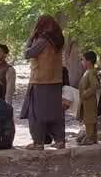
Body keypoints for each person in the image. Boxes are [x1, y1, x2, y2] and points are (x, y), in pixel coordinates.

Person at [21, 15, 67, 150]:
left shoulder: (42, 41)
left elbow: (27, 54)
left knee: (36, 113)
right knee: (57, 113)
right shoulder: (59, 41)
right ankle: (60, 140)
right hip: (56, 81)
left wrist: (30, 38)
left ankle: (38, 142)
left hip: (40, 81)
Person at [77, 51, 101, 146]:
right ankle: (91, 136)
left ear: (88, 61)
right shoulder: (87, 72)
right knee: (87, 118)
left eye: (83, 59)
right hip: (86, 101)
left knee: (89, 119)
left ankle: (90, 137)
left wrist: (85, 94)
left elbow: (95, 85)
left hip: (89, 100)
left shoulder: (91, 72)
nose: (82, 62)